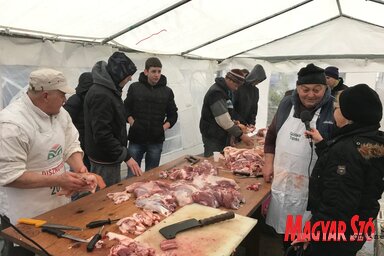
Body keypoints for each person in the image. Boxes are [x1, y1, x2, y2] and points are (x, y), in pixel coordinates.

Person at [0, 69, 93, 255]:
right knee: (25, 251)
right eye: (62, 95)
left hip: (57, 204)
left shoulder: (60, 113)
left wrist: (81, 170)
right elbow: (10, 176)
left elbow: (70, 144)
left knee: (56, 249)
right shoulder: (12, 125)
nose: (65, 100)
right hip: (25, 213)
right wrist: (59, 180)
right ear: (45, 95)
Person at [262, 63, 335, 254]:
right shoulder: (287, 104)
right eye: (305, 89)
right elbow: (271, 137)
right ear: (297, 88)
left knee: (307, 237)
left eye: (316, 90)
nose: (310, 95)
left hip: (312, 188)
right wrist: (268, 164)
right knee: (287, 233)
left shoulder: (332, 110)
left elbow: (336, 153)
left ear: (325, 88)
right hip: (284, 181)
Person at [303, 84, 384, 256]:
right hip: (357, 227)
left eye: (337, 108)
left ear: (349, 116)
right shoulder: (372, 141)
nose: (334, 112)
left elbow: (337, 205)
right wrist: (323, 144)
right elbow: (352, 175)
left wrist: (312, 232)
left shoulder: (346, 151)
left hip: (334, 236)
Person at [84, 52, 143, 187]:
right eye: (128, 76)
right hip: (104, 159)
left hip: (110, 155)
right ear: (119, 75)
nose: (130, 79)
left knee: (111, 193)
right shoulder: (101, 94)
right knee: (105, 197)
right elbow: (102, 134)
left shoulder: (109, 90)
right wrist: (126, 156)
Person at [124, 57, 178, 175]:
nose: (157, 75)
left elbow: (173, 115)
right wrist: (133, 122)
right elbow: (125, 109)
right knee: (132, 175)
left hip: (156, 140)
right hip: (136, 139)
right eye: (153, 71)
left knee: (151, 175)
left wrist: (163, 128)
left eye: (159, 71)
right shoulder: (135, 88)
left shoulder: (167, 91)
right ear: (146, 72)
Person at [199, 69, 254, 157]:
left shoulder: (226, 91)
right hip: (213, 134)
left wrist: (233, 126)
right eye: (236, 85)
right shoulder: (216, 93)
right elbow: (223, 120)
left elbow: (228, 113)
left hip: (220, 133)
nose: (236, 89)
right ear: (229, 80)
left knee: (222, 159)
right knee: (213, 160)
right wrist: (241, 135)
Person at [64, 72, 93, 170]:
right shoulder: (75, 100)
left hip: (87, 143)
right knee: (79, 170)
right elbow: (64, 122)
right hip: (78, 143)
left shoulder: (90, 99)